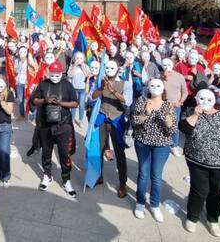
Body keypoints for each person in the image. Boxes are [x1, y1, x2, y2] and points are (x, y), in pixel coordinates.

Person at [180, 89, 220, 237]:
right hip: (196, 160)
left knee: (216, 191)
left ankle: (212, 219)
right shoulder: (189, 112)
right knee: (199, 189)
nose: (205, 102)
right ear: (196, 98)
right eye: (201, 98)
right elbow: (184, 129)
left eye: (209, 100)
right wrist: (196, 114)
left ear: (215, 101)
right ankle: (192, 217)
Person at [31, 61, 79, 198]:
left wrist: (60, 103)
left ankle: (66, 180)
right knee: (46, 152)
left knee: (65, 154)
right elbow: (34, 100)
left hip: (64, 125)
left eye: (58, 74)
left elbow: (75, 103)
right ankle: (47, 175)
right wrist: (45, 100)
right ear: (49, 73)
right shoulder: (43, 84)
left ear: (62, 73)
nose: (55, 77)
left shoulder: (67, 85)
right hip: (46, 125)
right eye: (53, 74)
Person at [131, 78, 175, 222]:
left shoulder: (168, 105)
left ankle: (155, 205)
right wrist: (146, 113)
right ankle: (140, 202)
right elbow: (135, 122)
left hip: (162, 146)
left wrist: (167, 119)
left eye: (158, 85)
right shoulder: (142, 101)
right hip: (143, 143)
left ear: (163, 89)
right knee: (143, 174)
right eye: (152, 85)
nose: (155, 88)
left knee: (156, 177)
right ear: (148, 88)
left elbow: (173, 130)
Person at [91, 60, 128, 197]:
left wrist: (113, 91)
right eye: (107, 67)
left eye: (113, 67)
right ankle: (99, 175)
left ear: (118, 69)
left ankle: (123, 183)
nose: (109, 69)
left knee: (119, 153)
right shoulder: (100, 81)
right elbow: (92, 97)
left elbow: (127, 100)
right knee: (99, 149)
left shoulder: (124, 83)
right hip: (102, 118)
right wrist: (101, 88)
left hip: (117, 120)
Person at [160, 58, 188, 157]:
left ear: (173, 65)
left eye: (168, 64)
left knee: (174, 126)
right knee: (161, 124)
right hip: (161, 105)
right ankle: (162, 142)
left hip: (175, 106)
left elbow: (185, 92)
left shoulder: (179, 76)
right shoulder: (159, 76)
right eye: (164, 64)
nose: (166, 66)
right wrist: (163, 78)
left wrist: (180, 102)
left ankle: (174, 146)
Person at [67, 51, 89, 125]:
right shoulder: (72, 66)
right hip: (74, 88)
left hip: (82, 89)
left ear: (83, 59)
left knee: (82, 105)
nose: (79, 59)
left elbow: (87, 76)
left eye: (81, 58)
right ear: (74, 59)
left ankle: (80, 120)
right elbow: (69, 75)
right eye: (77, 58)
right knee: (74, 104)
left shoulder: (86, 66)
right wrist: (74, 67)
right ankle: (72, 119)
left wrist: (83, 68)